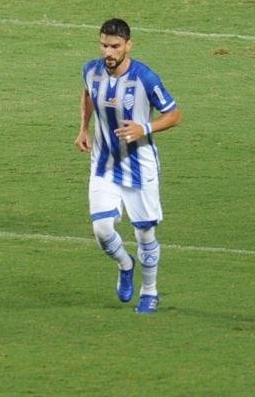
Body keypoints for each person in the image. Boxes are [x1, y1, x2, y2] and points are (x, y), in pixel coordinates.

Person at [74, 18, 182, 314]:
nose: (108, 52)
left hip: (139, 166)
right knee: (102, 229)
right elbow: (87, 94)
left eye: (115, 46)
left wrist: (143, 128)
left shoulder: (145, 78)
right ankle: (125, 264)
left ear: (128, 46)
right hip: (104, 163)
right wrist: (83, 128)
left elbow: (174, 115)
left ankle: (150, 291)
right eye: (104, 45)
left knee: (144, 234)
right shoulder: (90, 71)